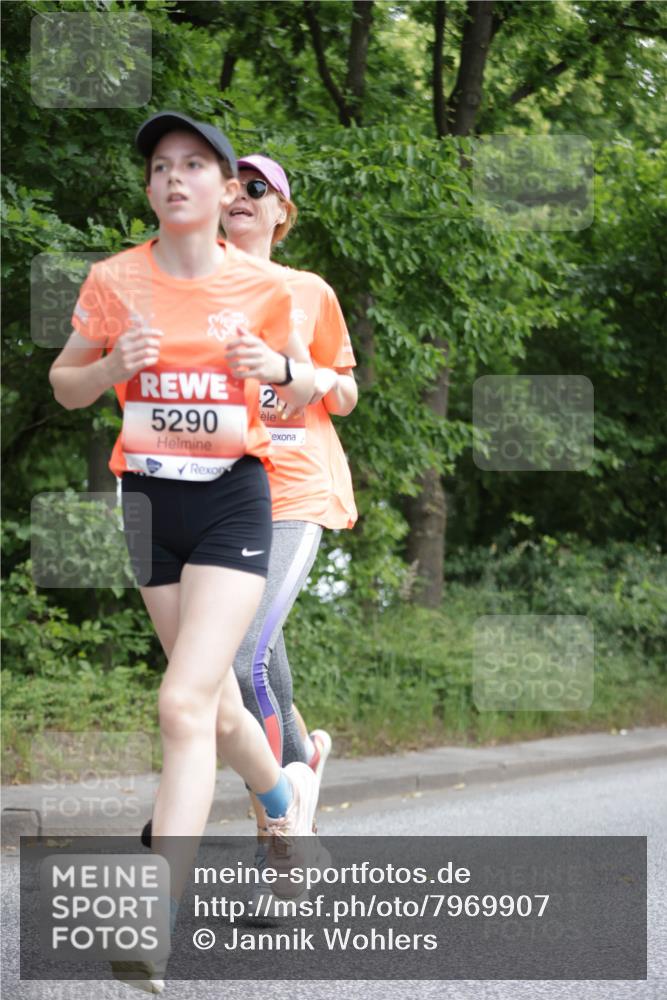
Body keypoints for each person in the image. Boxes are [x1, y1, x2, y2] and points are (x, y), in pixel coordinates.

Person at [49, 112, 319, 994]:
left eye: (193, 165)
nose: (173, 179)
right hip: (147, 506)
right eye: (160, 167)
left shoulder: (267, 289)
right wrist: (108, 364)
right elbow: (66, 384)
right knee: (211, 707)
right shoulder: (114, 278)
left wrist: (272, 372)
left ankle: (151, 923)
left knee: (180, 701)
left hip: (234, 502)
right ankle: (282, 802)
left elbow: (299, 403)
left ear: (225, 190)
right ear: (151, 189)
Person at [219, 154, 358, 882]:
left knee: (243, 659)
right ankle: (300, 768)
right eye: (230, 186)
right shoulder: (192, 290)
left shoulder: (308, 292)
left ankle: (283, 836)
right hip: (218, 491)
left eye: (257, 187)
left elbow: (346, 389)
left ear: (281, 213)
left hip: (294, 490)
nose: (239, 195)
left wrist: (315, 380)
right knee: (253, 667)